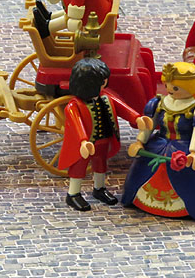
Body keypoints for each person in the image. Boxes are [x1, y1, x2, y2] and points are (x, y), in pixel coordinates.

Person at [122, 62, 195, 220]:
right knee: (146, 170)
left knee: (191, 179)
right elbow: (150, 125)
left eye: (175, 88)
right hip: (159, 143)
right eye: (167, 85)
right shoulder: (159, 103)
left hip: (185, 146)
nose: (169, 90)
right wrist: (140, 141)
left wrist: (194, 152)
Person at [59, 58, 149, 211]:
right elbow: (77, 124)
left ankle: (99, 188)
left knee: (100, 165)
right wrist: (83, 141)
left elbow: (122, 108)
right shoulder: (74, 106)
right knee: (79, 168)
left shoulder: (106, 96)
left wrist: (136, 118)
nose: (105, 84)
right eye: (101, 82)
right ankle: (73, 194)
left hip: (103, 139)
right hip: (86, 144)